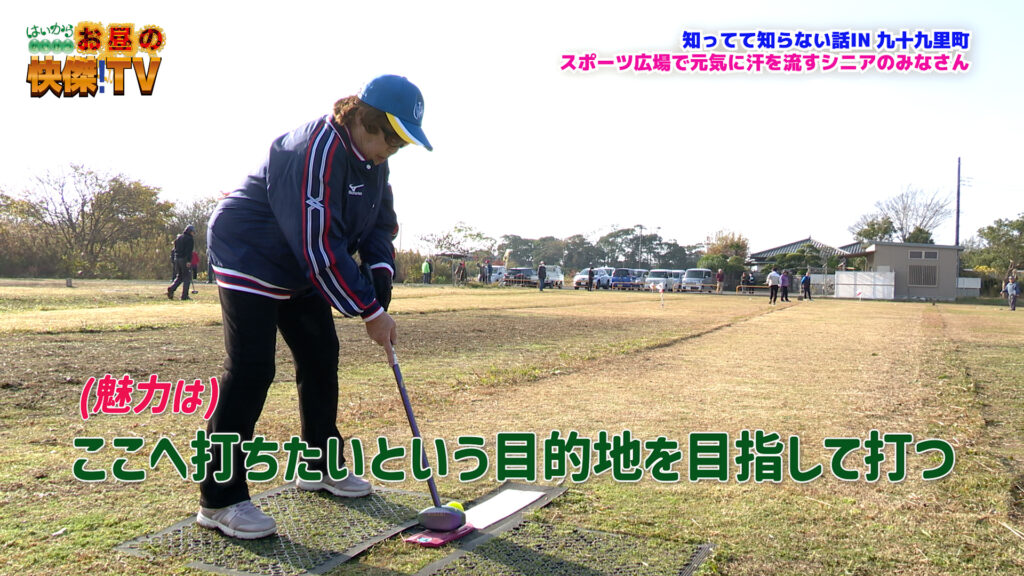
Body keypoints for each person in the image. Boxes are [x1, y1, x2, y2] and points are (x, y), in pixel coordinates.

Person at [199, 74, 431, 540]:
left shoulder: (373, 160)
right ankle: (219, 500)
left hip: (299, 263)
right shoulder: (315, 148)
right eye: (392, 138)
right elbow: (318, 243)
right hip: (250, 252)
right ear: (366, 119)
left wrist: (379, 280)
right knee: (251, 369)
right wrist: (368, 311)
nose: (393, 150)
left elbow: (378, 226)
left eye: (401, 143)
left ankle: (319, 465)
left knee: (321, 355)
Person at [167, 225, 195, 300]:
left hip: (177, 259)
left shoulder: (179, 238)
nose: (193, 234)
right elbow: (189, 251)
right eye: (193, 232)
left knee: (180, 276)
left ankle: (171, 288)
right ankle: (184, 295)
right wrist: (188, 261)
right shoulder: (190, 239)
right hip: (184, 260)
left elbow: (174, 249)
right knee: (187, 277)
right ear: (190, 232)